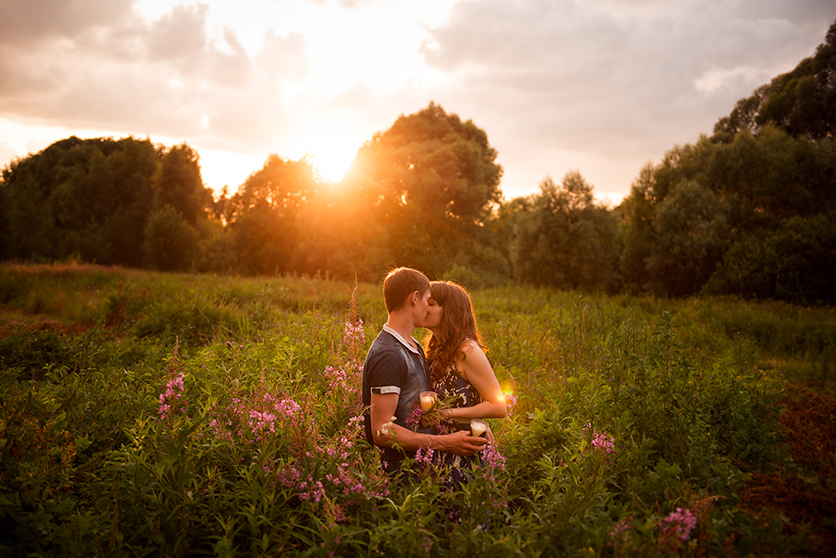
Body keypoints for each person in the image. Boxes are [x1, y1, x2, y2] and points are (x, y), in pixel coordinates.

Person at [362, 267, 486, 476]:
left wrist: (469, 423)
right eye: (428, 301)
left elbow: (425, 407)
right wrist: (444, 443)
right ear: (415, 297)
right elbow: (381, 432)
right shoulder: (389, 354)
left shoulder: (414, 346)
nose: (428, 309)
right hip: (401, 476)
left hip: (424, 472)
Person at [422, 280, 507, 476]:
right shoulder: (435, 350)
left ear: (449, 311)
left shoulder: (467, 350)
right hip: (442, 449)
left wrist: (448, 414)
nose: (425, 307)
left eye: (432, 303)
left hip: (465, 453)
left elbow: (498, 406)